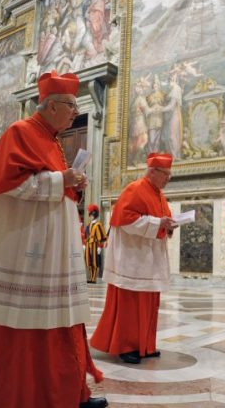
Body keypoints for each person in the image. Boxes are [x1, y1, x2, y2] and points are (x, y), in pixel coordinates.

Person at [0, 70, 105, 408]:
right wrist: (62, 180)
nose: (76, 112)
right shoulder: (21, 132)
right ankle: (32, 398)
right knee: (31, 326)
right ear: (50, 105)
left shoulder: (53, 140)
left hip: (54, 247)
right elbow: (9, 185)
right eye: (71, 106)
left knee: (62, 321)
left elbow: (48, 182)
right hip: (29, 249)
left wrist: (69, 181)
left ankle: (71, 393)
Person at [91, 153, 175, 365]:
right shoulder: (135, 189)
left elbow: (160, 220)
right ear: (153, 171)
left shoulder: (159, 195)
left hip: (149, 260)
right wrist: (158, 223)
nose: (168, 179)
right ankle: (127, 346)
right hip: (133, 259)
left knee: (149, 304)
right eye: (166, 174)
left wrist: (168, 225)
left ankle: (145, 345)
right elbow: (126, 220)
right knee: (131, 305)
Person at [84, 203, 107, 283]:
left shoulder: (98, 225)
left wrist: (100, 246)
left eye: (91, 214)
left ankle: (94, 278)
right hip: (88, 245)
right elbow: (86, 235)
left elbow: (102, 237)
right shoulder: (89, 224)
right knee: (89, 261)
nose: (90, 216)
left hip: (95, 245)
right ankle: (91, 277)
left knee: (95, 262)